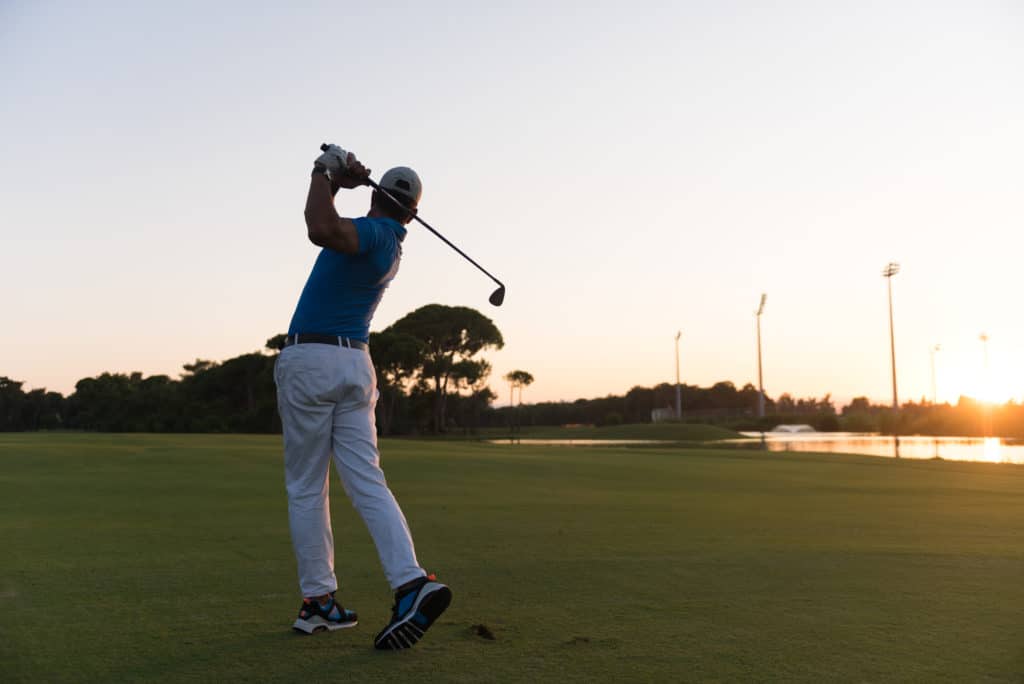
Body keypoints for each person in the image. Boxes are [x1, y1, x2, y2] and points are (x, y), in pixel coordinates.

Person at [274, 143, 451, 650]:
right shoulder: (391, 239)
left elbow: (319, 228)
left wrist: (321, 169)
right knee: (368, 482)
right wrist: (337, 181)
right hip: (355, 365)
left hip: (313, 361)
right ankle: (411, 582)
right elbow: (332, 221)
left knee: (307, 486)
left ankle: (319, 602)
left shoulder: (372, 231)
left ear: (378, 197)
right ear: (412, 214)